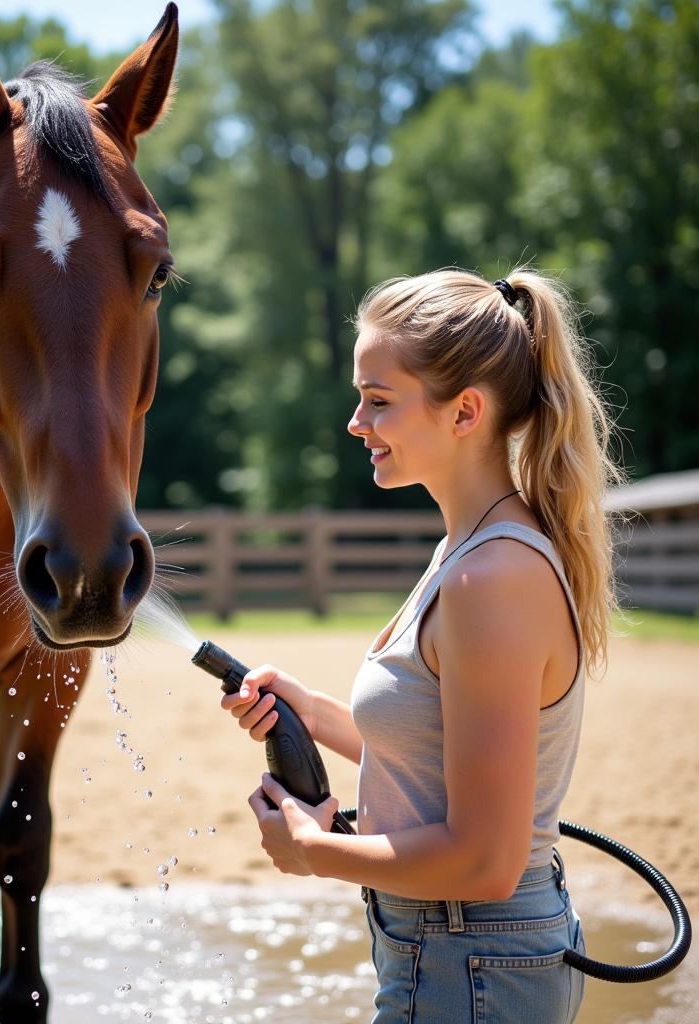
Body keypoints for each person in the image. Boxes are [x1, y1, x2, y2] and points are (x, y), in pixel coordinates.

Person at [222, 267, 620, 1023]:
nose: (354, 422)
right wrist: (308, 709)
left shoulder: (491, 578)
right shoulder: (467, 553)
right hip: (458, 954)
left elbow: (485, 860)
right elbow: (433, 750)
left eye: (378, 401)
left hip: (469, 964)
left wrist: (314, 852)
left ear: (465, 411)